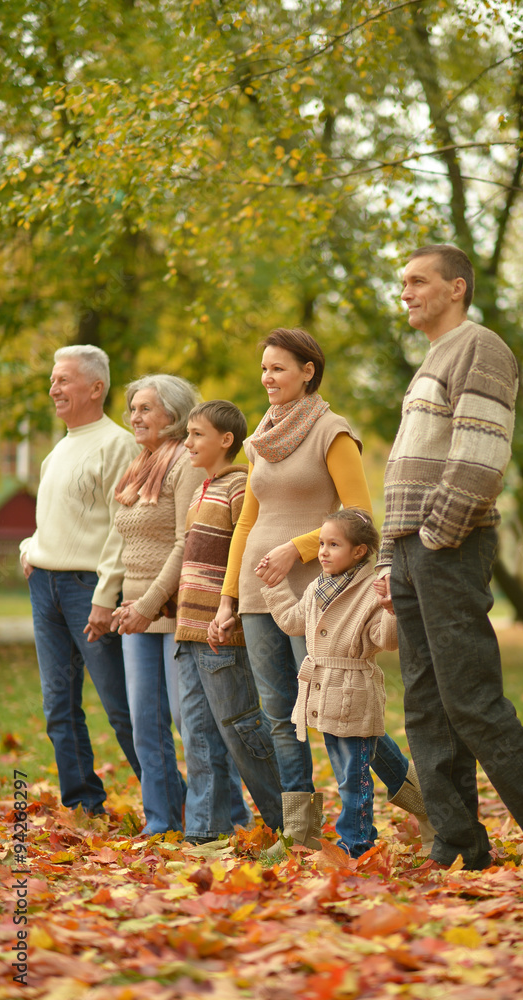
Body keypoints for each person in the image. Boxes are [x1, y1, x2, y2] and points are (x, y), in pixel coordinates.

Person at [375, 243, 523, 877]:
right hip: (410, 548)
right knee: (426, 705)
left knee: (471, 699)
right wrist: (390, 556)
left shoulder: (479, 347)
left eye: (418, 281)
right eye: (403, 282)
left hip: (445, 546)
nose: (406, 291)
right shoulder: (434, 358)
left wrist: (434, 536)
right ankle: (457, 846)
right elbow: (408, 466)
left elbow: (480, 457)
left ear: (457, 288)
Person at [210, 328, 431, 851]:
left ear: (308, 371)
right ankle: (301, 833)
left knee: (338, 709)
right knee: (279, 713)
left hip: (319, 589)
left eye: (278, 368)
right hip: (260, 589)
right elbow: (246, 524)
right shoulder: (260, 438)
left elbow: (359, 515)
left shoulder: (332, 432)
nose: (267, 378)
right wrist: (228, 598)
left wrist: (298, 548)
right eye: (263, 368)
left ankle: (424, 802)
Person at [20, 345, 141, 815]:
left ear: (96, 387)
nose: (54, 388)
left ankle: (169, 803)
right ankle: (84, 805)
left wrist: (104, 595)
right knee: (58, 707)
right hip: (44, 588)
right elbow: (50, 521)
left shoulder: (118, 445)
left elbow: (121, 527)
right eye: (53, 380)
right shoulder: (58, 451)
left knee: (120, 706)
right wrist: (30, 548)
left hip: (87, 590)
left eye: (63, 380)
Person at [174, 399, 283, 844]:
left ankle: (290, 820)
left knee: (241, 730)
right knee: (198, 734)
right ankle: (207, 830)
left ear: (226, 440)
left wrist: (229, 609)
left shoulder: (240, 487)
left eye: (197, 434)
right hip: (189, 632)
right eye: (188, 433)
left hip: (222, 634)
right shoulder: (203, 490)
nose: (188, 442)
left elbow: (245, 556)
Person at [260, 509, 399, 859]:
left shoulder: (371, 591)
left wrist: (392, 608)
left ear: (359, 552)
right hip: (324, 691)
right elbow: (294, 623)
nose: (323, 551)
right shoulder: (317, 587)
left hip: (354, 690)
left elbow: (387, 639)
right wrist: (274, 588)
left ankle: (355, 845)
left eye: (333, 544)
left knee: (354, 778)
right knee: (349, 771)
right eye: (321, 543)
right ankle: (417, 804)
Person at [111, 374, 205, 835]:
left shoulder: (186, 462)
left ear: (174, 413)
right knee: (143, 724)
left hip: (173, 612)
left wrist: (149, 603)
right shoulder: (138, 465)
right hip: (136, 612)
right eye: (133, 408)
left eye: (146, 408)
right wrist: (122, 603)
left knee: (188, 725)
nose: (135, 416)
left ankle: (220, 819)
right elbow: (124, 542)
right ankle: (161, 821)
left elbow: (185, 543)